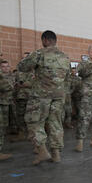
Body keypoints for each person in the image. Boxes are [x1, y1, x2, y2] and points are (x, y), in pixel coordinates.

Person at [17, 31, 71, 165]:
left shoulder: (40, 54)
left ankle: (42, 151)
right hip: (58, 96)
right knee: (55, 123)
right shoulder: (65, 57)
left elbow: (22, 67)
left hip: (41, 95)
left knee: (34, 122)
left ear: (45, 40)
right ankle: (56, 154)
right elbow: (67, 78)